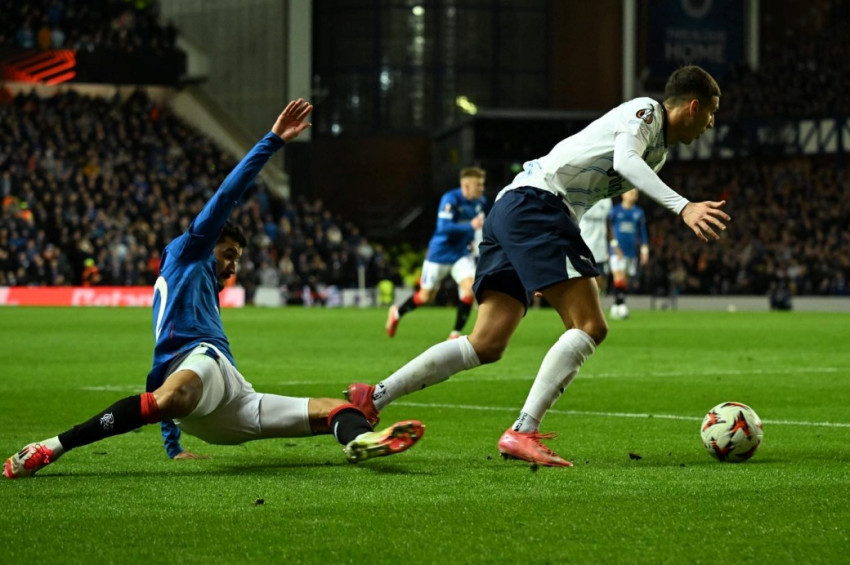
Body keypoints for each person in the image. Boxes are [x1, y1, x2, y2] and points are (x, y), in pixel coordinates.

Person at [5, 99, 424, 479]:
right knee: (175, 391)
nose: (232, 265)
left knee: (334, 409)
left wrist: (174, 448)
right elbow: (226, 196)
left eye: (237, 258)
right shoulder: (188, 251)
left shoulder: (197, 286)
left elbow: (166, 364)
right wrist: (273, 140)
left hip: (228, 398)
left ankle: (358, 440)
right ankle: (52, 447)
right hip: (199, 375)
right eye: (228, 253)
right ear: (209, 243)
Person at [346, 65, 728, 467]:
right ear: (693, 106)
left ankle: (373, 397)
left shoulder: (660, 153)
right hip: (537, 205)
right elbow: (626, 161)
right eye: (711, 113)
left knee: (486, 343)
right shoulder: (645, 113)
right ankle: (523, 430)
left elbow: (606, 179)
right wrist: (683, 207)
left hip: (517, 209)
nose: (711, 123)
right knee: (590, 326)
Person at [385, 166, 487, 340]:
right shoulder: (450, 199)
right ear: (466, 186)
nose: (481, 188)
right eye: (478, 185)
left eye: (482, 184)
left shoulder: (480, 202)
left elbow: (477, 228)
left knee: (469, 290)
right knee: (425, 296)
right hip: (439, 254)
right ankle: (396, 313)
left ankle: (455, 334)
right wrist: (469, 226)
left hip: (461, 254)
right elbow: (444, 227)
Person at [608, 189, 649, 319]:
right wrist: (614, 246)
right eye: (631, 192)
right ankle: (622, 305)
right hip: (616, 251)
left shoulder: (639, 212)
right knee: (618, 277)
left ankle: (616, 305)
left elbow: (642, 232)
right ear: (623, 194)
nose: (633, 195)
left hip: (631, 251)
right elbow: (609, 229)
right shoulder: (615, 211)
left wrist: (644, 249)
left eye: (635, 193)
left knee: (624, 280)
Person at [578, 197, 613, 295]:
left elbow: (608, 223)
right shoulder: (582, 195)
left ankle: (597, 303)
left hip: (601, 248)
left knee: (602, 283)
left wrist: (613, 243)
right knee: (586, 280)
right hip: (584, 246)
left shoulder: (607, 200)